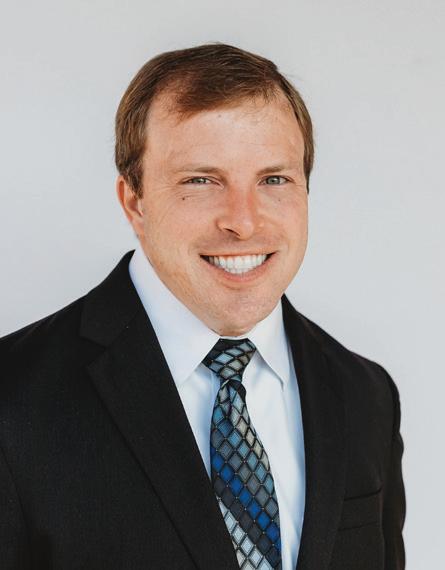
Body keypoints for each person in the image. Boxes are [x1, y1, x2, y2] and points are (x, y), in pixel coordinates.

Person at [0, 43, 405, 570]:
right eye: (201, 180)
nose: (243, 221)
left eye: (274, 179)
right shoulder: (13, 398)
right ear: (134, 201)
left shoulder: (366, 395)